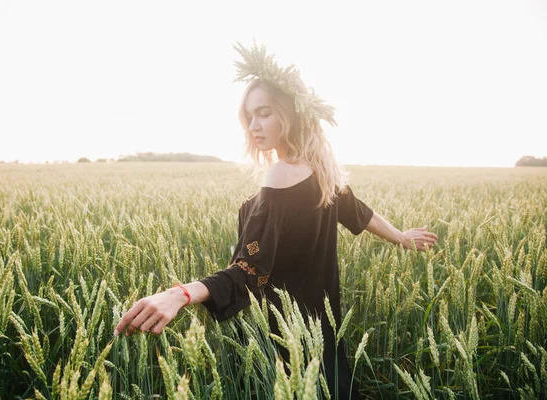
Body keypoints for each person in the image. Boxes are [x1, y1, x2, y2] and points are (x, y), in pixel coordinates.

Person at [113, 42, 438, 399]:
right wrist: (402, 237)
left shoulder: (281, 175)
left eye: (264, 113)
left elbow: (249, 270)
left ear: (292, 113)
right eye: (249, 116)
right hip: (323, 326)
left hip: (284, 333)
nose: (254, 125)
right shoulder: (322, 170)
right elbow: (362, 214)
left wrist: (180, 293)